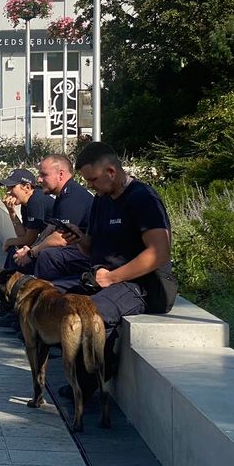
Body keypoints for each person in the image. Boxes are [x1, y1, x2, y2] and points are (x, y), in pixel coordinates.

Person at [57, 142, 175, 398]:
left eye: (93, 179)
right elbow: (93, 248)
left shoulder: (143, 198)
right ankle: (80, 371)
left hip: (143, 283)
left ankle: (91, 380)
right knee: (54, 298)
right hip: (106, 278)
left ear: (111, 171)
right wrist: (79, 239)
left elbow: (159, 252)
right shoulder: (101, 200)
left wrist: (112, 277)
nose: (90, 186)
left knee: (92, 312)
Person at [20, 153, 95, 287]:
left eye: (43, 175)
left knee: (47, 256)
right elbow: (51, 228)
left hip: (88, 253)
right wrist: (30, 249)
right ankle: (12, 300)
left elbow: (61, 238)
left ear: (60, 174)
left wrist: (32, 253)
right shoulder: (62, 195)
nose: (39, 179)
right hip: (74, 249)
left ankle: (42, 298)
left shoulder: (72, 196)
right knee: (18, 253)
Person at [0, 168, 53, 326]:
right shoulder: (27, 203)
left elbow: (28, 240)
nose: (8, 192)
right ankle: (8, 304)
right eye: (7, 188)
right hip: (40, 248)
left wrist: (9, 241)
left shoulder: (37, 201)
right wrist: (11, 212)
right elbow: (24, 235)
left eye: (12, 188)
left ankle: (10, 305)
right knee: (14, 252)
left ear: (27, 187)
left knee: (15, 253)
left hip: (51, 254)